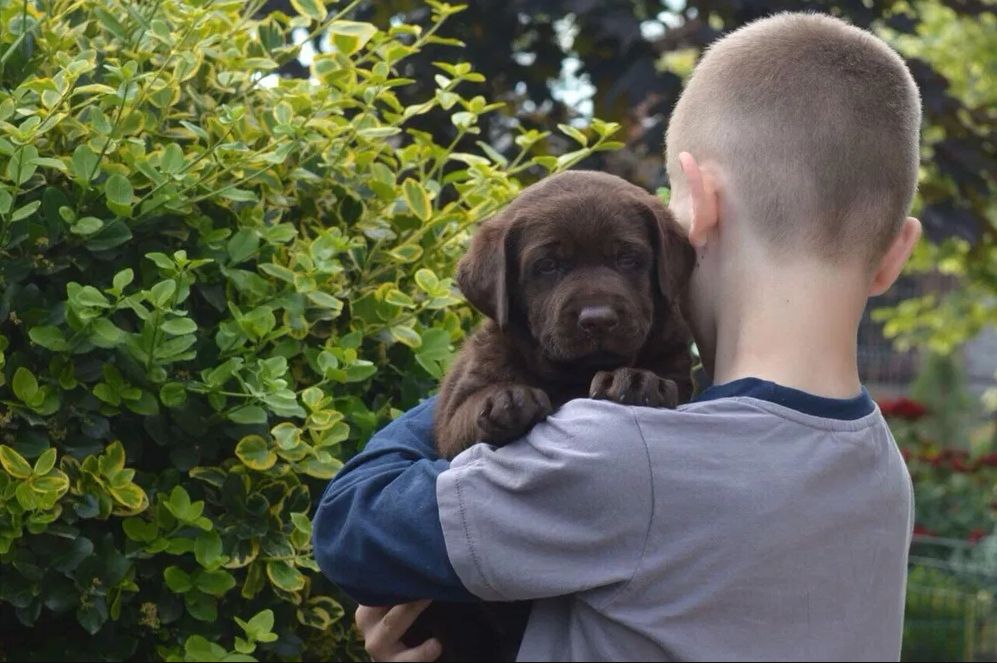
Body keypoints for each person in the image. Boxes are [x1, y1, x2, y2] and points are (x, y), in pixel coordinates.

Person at [313, 11, 923, 661]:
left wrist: (497, 362)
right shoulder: (879, 469)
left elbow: (352, 527)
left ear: (697, 205)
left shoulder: (618, 455)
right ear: (895, 253)